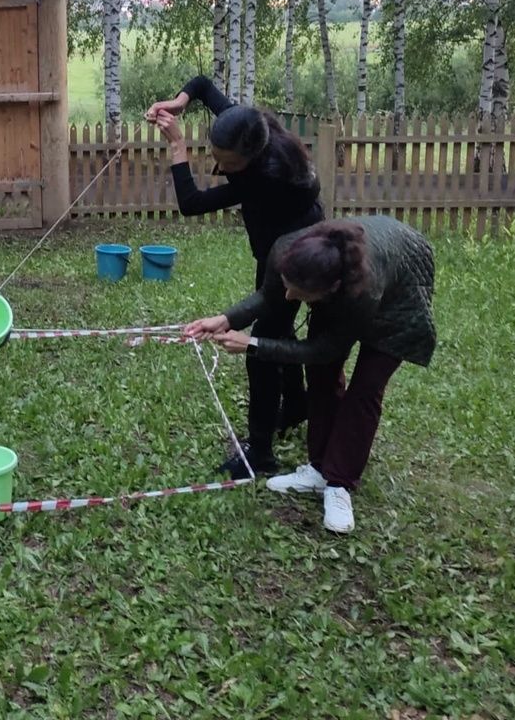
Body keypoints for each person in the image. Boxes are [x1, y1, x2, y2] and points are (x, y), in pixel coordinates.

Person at [185, 216, 436, 533]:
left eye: (299, 293)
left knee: (365, 390)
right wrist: (225, 318)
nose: (289, 297)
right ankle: (319, 468)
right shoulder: (287, 249)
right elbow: (270, 295)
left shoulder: (362, 291)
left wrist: (253, 344)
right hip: (357, 278)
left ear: (332, 288)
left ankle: (339, 484)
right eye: (289, 285)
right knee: (320, 377)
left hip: (402, 295)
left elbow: (323, 349)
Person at [147, 76, 323, 478]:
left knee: (261, 349)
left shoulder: (266, 177)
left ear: (251, 158)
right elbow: (205, 85)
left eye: (227, 163)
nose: (219, 166)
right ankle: (297, 406)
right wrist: (179, 101)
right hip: (276, 244)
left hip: (294, 253)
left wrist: (177, 146)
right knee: (279, 330)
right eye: (215, 155)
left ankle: (259, 455)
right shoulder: (247, 126)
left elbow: (191, 204)